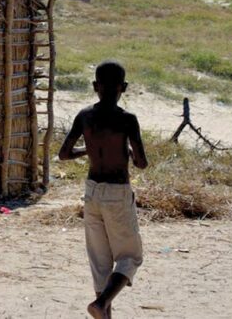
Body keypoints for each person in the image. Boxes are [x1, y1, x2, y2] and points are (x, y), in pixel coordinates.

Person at [58, 61, 147, 319]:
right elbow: (141, 163)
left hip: (92, 191)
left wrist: (88, 149)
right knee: (130, 257)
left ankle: (103, 310)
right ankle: (101, 304)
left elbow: (64, 154)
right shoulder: (127, 119)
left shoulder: (84, 115)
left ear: (95, 86)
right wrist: (128, 153)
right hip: (117, 192)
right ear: (124, 88)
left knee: (100, 264)